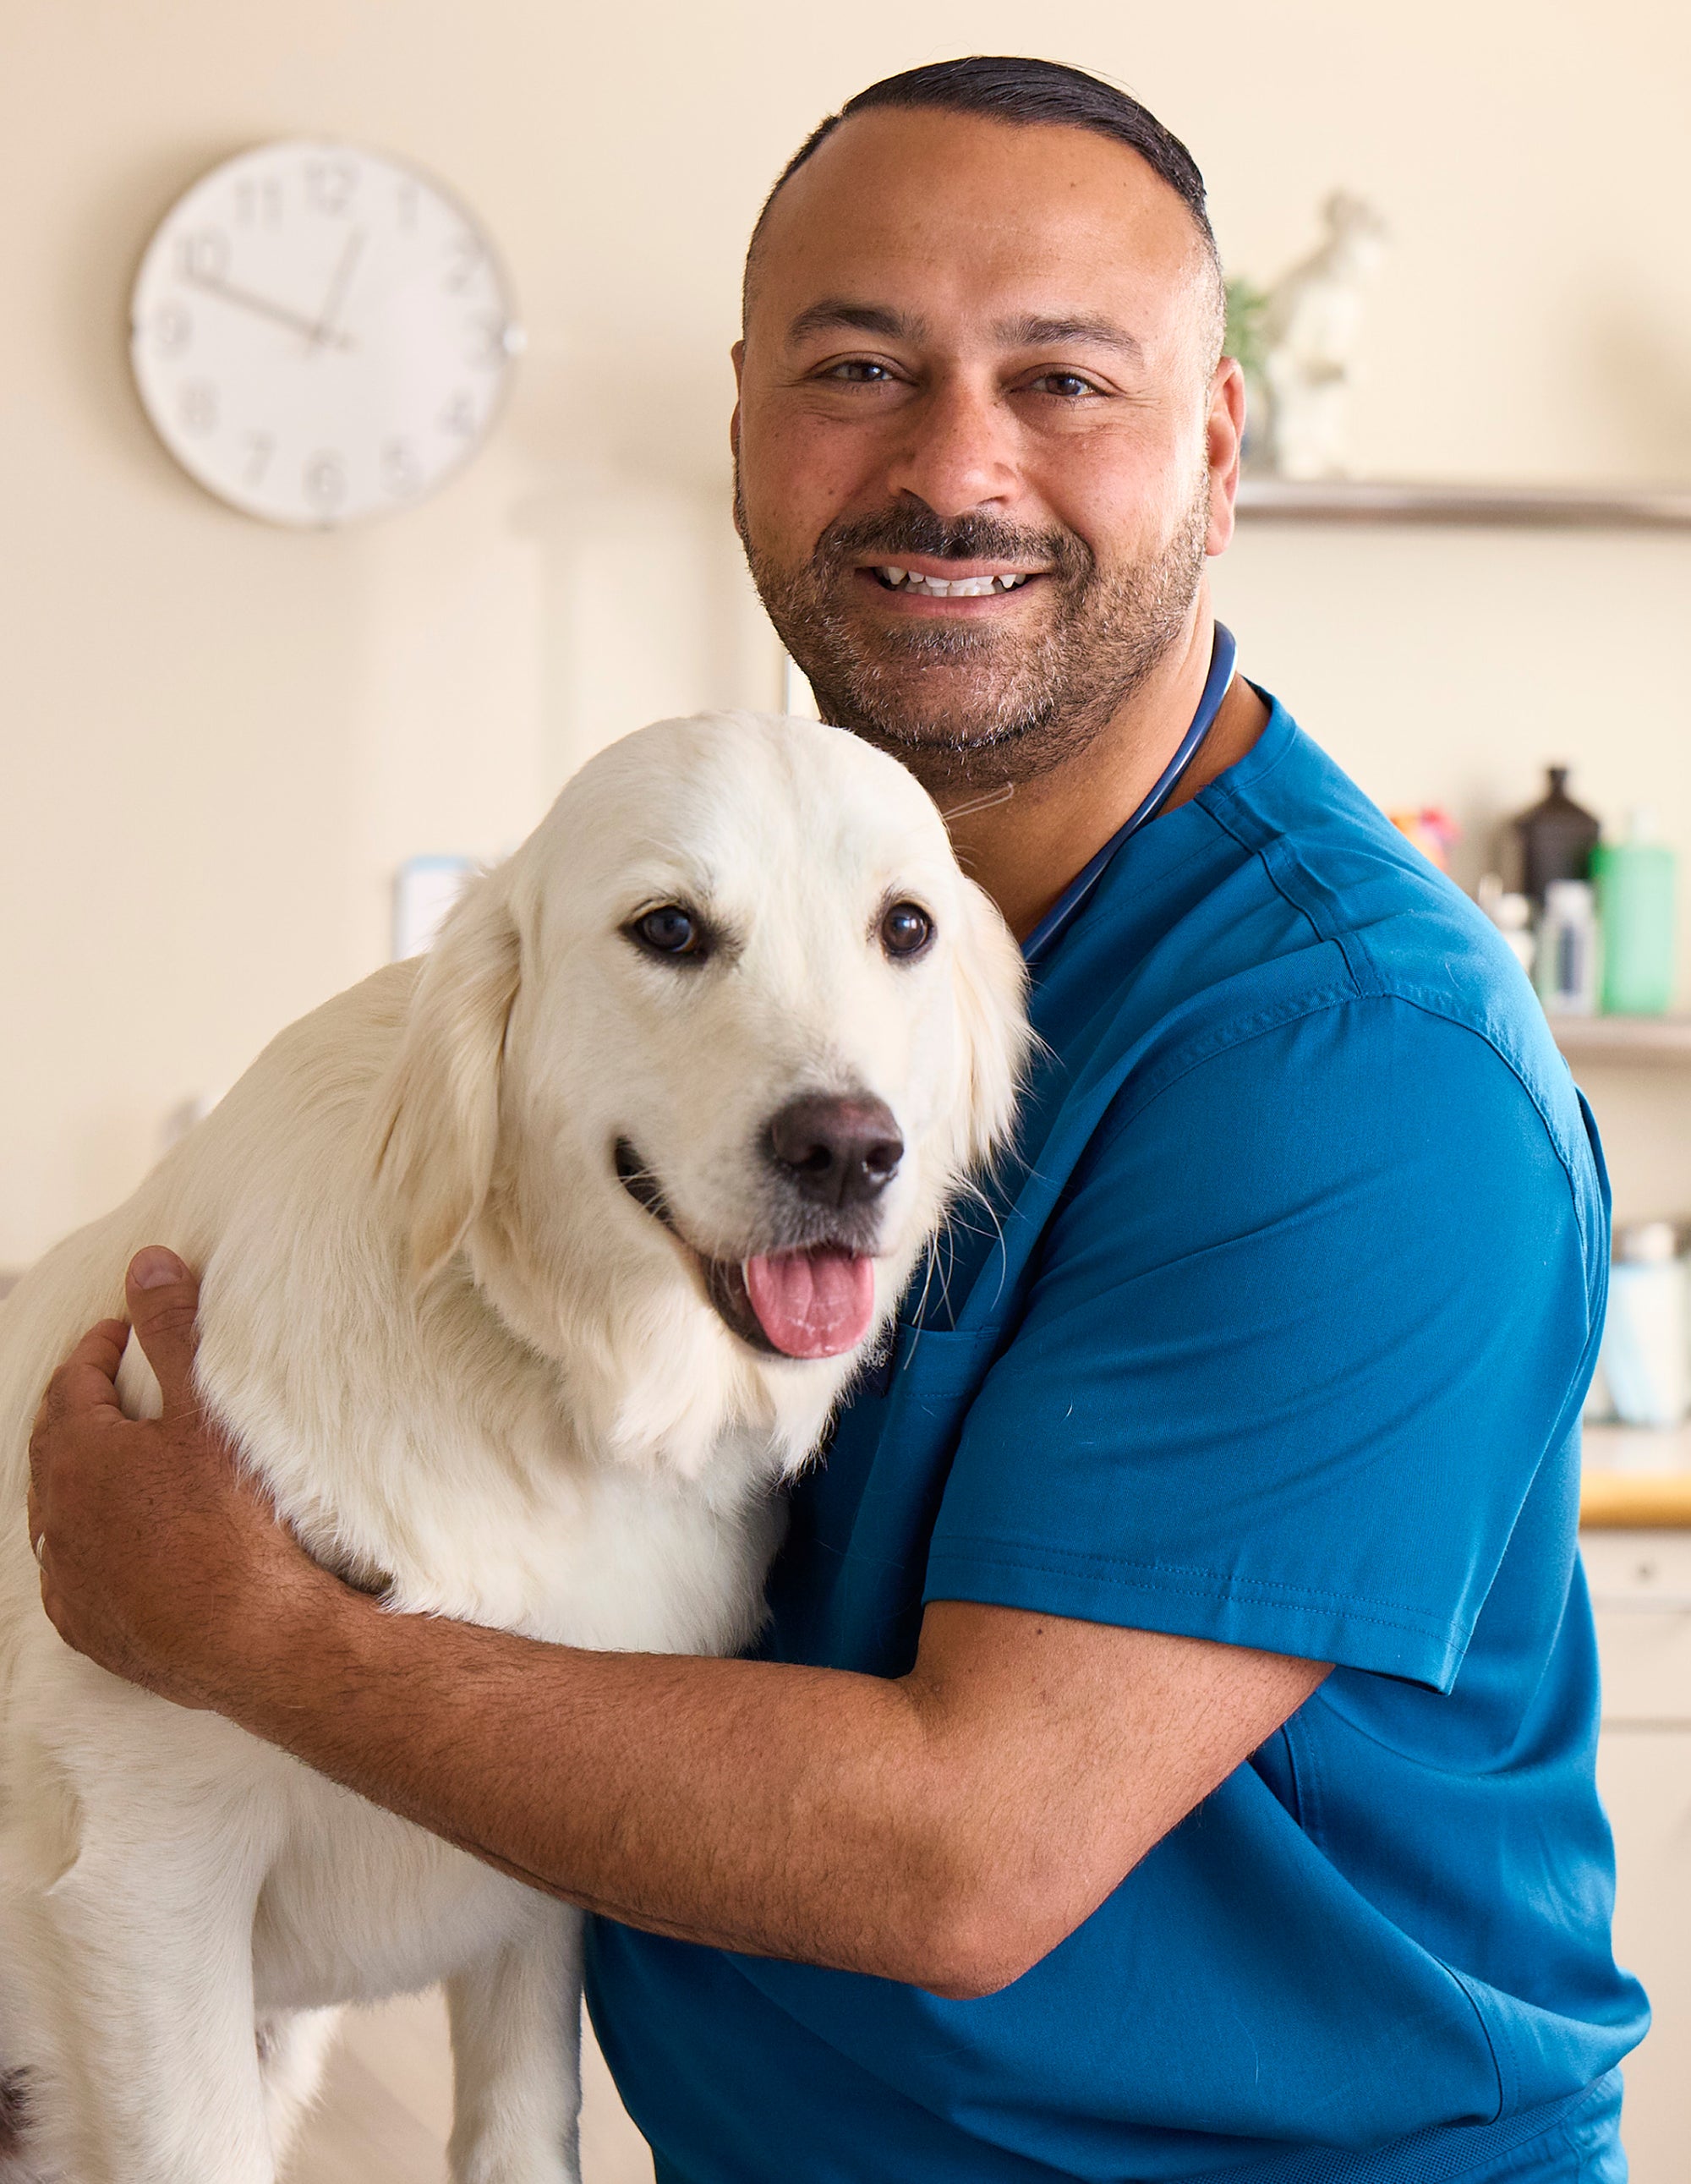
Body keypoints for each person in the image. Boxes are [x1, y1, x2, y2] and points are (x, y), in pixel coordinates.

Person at [28, 55, 1646, 2184]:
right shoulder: (714, 985)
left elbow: (961, 1856)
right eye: (861, 364)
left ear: (1217, 446)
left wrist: (252, 1636)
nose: (952, 467)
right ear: (744, 431)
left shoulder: (1353, 1067)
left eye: (1063, 380)